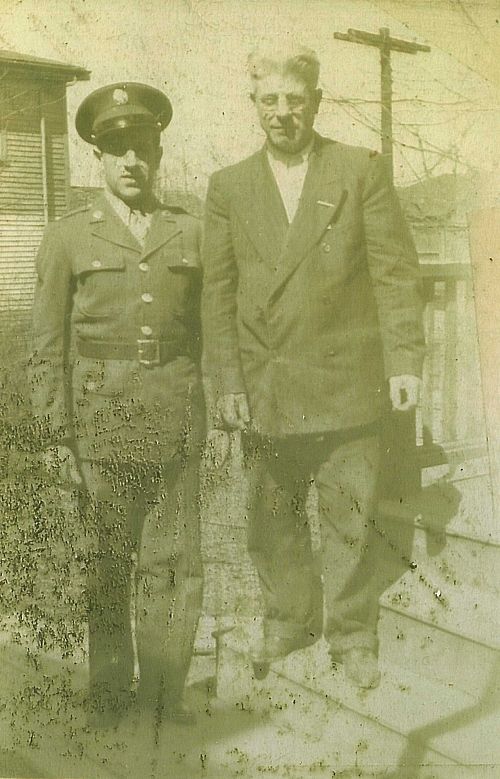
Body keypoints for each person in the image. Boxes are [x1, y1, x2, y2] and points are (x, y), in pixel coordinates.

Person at [202, 47, 425, 689]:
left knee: (350, 516)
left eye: (295, 99)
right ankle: (289, 621)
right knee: (272, 517)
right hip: (267, 384)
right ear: (253, 105)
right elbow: (218, 294)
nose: (283, 112)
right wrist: (228, 382)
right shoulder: (229, 186)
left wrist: (404, 360)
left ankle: (352, 634)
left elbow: (394, 273)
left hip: (346, 377)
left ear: (316, 102)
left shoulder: (359, 171)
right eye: (270, 100)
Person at [30, 82, 205, 727]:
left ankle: (163, 695)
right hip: (98, 426)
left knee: (173, 565)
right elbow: (46, 345)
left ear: (158, 154)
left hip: (175, 419)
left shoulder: (191, 231)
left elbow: (211, 331)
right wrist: (54, 435)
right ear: (98, 158)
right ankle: (107, 694)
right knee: (107, 563)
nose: (132, 161)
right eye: (118, 149)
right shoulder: (69, 236)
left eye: (143, 148)